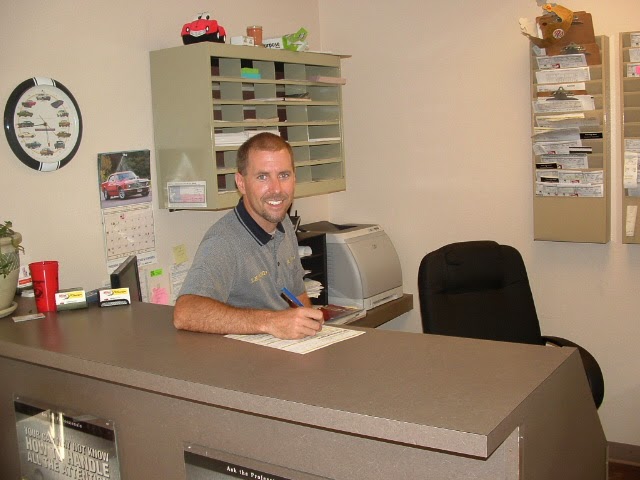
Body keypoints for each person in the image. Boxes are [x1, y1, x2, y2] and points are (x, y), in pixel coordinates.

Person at [173, 132, 324, 339]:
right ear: (241, 183)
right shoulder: (223, 242)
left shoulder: (284, 223)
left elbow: (298, 294)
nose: (276, 189)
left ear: (294, 178)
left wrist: (310, 325)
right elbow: (185, 313)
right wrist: (271, 322)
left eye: (284, 175)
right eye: (262, 177)